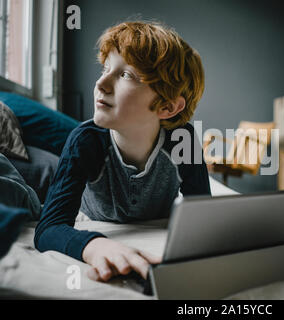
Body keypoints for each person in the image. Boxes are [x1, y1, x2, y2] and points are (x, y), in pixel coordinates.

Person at [34, 21, 211, 282]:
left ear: (167, 107)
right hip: (94, 215)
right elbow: (48, 228)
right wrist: (94, 246)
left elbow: (202, 213)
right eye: (105, 69)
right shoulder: (85, 140)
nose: (101, 83)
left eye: (126, 75)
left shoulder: (182, 139)